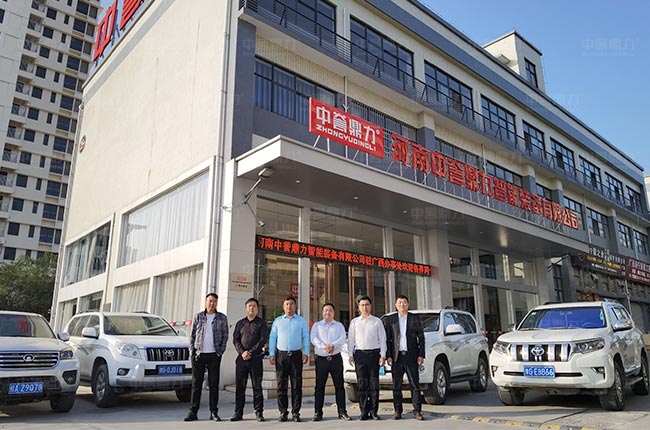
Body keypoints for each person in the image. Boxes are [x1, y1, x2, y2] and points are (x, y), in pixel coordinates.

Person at [184, 293, 229, 422]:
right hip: (199, 354)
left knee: (213, 384)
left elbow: (225, 335)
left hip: (214, 354)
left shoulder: (222, 318)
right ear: (205, 302)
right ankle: (193, 412)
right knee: (196, 384)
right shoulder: (198, 316)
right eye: (210, 301)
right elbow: (192, 335)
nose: (212, 303)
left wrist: (220, 351)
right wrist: (192, 350)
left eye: (214, 301)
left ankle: (213, 412)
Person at [268, 296, 310, 422]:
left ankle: (296, 412)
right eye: (287, 304)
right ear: (283, 306)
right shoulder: (277, 321)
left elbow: (305, 337)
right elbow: (273, 338)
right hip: (281, 356)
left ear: (295, 306)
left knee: (297, 385)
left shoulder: (301, 321)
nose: (289, 306)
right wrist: (271, 353)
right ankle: (283, 412)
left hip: (296, 355)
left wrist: (306, 352)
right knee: (281, 385)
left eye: (291, 304)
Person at [384, 295, 425, 420]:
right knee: (396, 386)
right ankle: (398, 410)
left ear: (408, 304)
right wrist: (388, 356)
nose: (402, 305)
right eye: (400, 302)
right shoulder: (391, 319)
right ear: (396, 305)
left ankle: (417, 411)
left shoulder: (414, 318)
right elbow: (387, 339)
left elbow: (421, 337)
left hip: (411, 356)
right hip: (397, 358)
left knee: (414, 385)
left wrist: (421, 354)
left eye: (404, 302)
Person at [347, 295, 386, 421]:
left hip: (374, 354)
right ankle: (363, 411)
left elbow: (383, 339)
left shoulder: (377, 321)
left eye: (367, 305)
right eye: (362, 305)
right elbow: (351, 339)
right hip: (360, 355)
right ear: (359, 307)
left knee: (374, 384)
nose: (365, 307)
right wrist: (350, 354)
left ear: (371, 306)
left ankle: (374, 411)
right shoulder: (354, 322)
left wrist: (383, 355)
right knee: (362, 384)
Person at [310, 303, 351, 421]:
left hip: (335, 359)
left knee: (339, 386)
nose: (327, 313)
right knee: (319, 387)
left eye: (330, 310)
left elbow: (342, 338)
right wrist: (325, 347)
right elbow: (313, 339)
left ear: (334, 313)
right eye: (325, 310)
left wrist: (332, 345)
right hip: (321, 360)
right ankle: (318, 412)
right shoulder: (317, 326)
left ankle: (342, 412)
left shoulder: (339, 326)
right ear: (322, 312)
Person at [231, 297, 268, 422]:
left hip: (255, 359)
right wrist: (243, 352)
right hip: (241, 359)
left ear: (257, 308)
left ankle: (259, 412)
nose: (252, 308)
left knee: (257, 387)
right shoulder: (240, 323)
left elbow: (262, 340)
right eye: (249, 306)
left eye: (254, 306)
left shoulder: (261, 323)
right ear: (246, 308)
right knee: (240, 387)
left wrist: (251, 352)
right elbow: (235, 339)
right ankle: (238, 412)